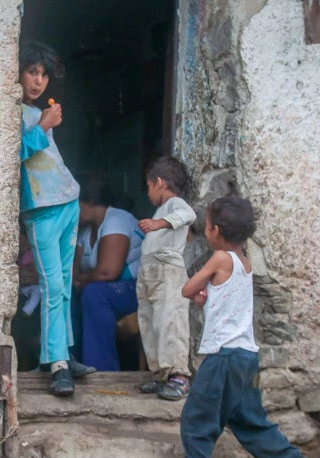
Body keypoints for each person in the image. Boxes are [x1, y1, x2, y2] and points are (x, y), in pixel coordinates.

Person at [168, 196, 318, 458]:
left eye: (207, 226)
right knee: (248, 420)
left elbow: (186, 289)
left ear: (217, 230)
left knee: (197, 417)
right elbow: (223, 297)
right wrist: (207, 295)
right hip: (245, 356)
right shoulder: (244, 263)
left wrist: (198, 292)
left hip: (222, 355)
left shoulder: (220, 258)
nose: (205, 230)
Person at [18, 41, 94, 397]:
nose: (38, 81)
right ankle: (57, 365)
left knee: (63, 282)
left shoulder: (34, 111)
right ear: (18, 71)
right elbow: (11, 154)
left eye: (43, 75)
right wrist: (42, 126)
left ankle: (63, 353)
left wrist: (43, 124)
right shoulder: (11, 111)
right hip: (41, 209)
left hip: (67, 201)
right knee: (52, 286)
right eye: (32, 72)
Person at [135, 156, 196, 401]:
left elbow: (189, 214)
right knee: (151, 324)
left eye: (149, 186)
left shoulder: (174, 204)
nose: (149, 192)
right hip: (151, 274)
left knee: (170, 322)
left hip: (167, 273)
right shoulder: (162, 209)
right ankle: (161, 375)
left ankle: (179, 376)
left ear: (159, 183)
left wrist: (159, 223)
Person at [73, 179, 144, 371]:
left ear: (89, 202)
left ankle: (102, 369)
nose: (72, 211)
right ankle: (68, 361)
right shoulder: (84, 231)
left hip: (137, 288)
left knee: (94, 294)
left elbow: (107, 272)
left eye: (74, 204)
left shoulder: (116, 219)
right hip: (111, 290)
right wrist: (83, 280)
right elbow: (74, 273)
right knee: (68, 295)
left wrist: (84, 280)